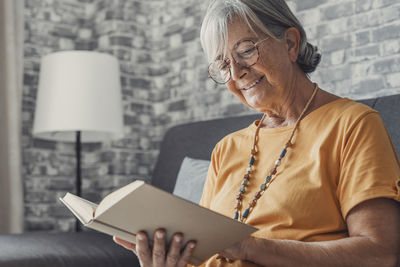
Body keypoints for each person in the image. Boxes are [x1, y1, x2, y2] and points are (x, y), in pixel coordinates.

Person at [114, 0, 400, 266]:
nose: (237, 72)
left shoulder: (353, 124)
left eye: (247, 50)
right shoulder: (225, 149)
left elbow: (381, 253)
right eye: (224, 64)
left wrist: (249, 247)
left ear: (290, 43)